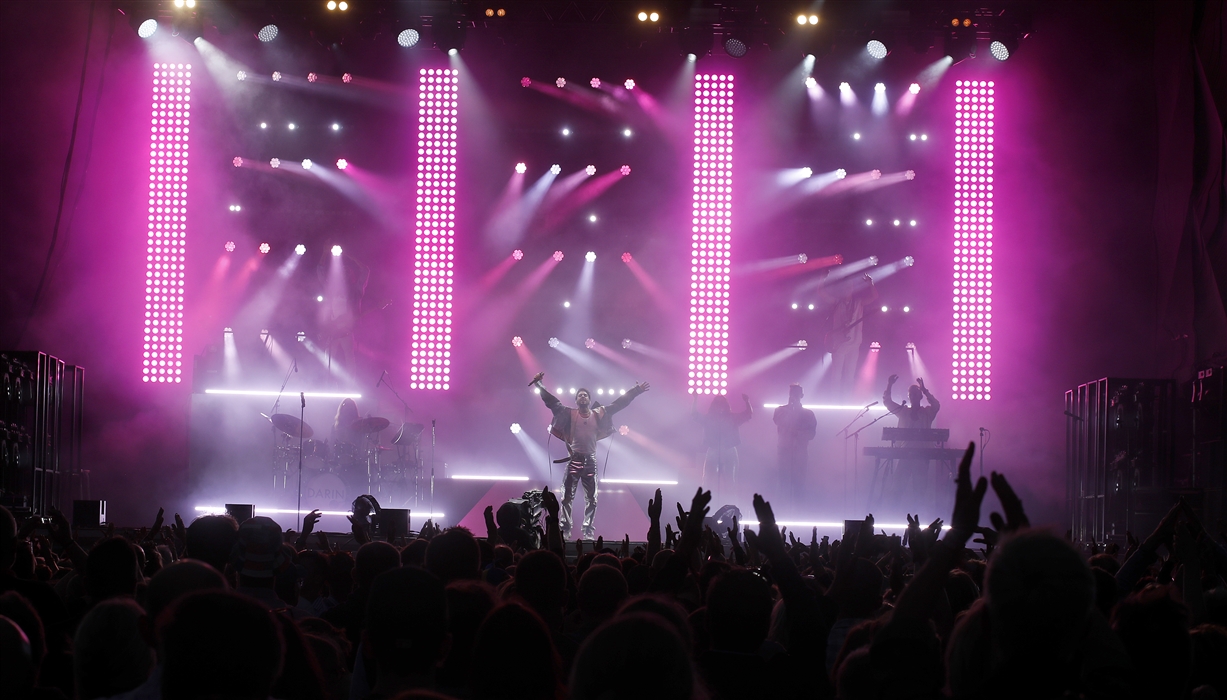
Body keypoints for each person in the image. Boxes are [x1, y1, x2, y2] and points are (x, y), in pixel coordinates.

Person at [529, 372, 650, 539]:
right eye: (580, 395)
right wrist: (539, 385)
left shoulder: (598, 413)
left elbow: (619, 404)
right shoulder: (569, 414)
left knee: (592, 499)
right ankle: (565, 530)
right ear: (577, 400)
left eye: (585, 395)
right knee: (566, 498)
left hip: (590, 461)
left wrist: (636, 390)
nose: (583, 397)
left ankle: (588, 532)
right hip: (574, 460)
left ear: (589, 399)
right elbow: (552, 402)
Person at [822, 274, 877, 397]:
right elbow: (822, 293)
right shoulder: (837, 303)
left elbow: (874, 297)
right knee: (836, 375)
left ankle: (846, 400)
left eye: (850, 286)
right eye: (845, 287)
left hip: (854, 344)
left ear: (853, 288)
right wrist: (822, 278)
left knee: (850, 375)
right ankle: (834, 400)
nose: (848, 289)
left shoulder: (858, 302)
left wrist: (870, 283)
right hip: (839, 345)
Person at [692, 394, 753, 501]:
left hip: (728, 450)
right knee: (708, 480)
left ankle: (731, 506)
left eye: (722, 403)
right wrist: (695, 399)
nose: (720, 406)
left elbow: (748, 414)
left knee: (730, 481)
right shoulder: (710, 418)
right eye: (718, 403)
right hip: (715, 450)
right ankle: (707, 505)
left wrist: (747, 401)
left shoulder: (731, 418)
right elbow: (695, 415)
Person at [772, 384, 816, 496]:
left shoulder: (808, 414)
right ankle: (783, 509)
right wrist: (790, 410)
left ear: (802, 395)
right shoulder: (780, 410)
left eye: (796, 393)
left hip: (800, 453)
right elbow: (778, 421)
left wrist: (798, 434)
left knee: (799, 485)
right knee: (783, 483)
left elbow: (811, 434)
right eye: (792, 393)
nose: (793, 395)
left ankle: (798, 509)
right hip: (784, 451)